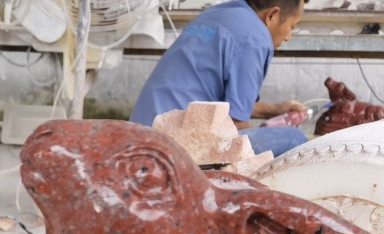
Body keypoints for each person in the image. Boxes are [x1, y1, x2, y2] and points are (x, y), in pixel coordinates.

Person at [130, 0, 308, 157]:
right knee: (294, 139)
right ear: (272, 15)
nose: (288, 37)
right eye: (292, 26)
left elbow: (231, 105)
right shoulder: (255, 37)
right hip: (173, 146)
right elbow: (237, 124)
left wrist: (276, 109)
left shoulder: (218, 13)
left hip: (137, 134)